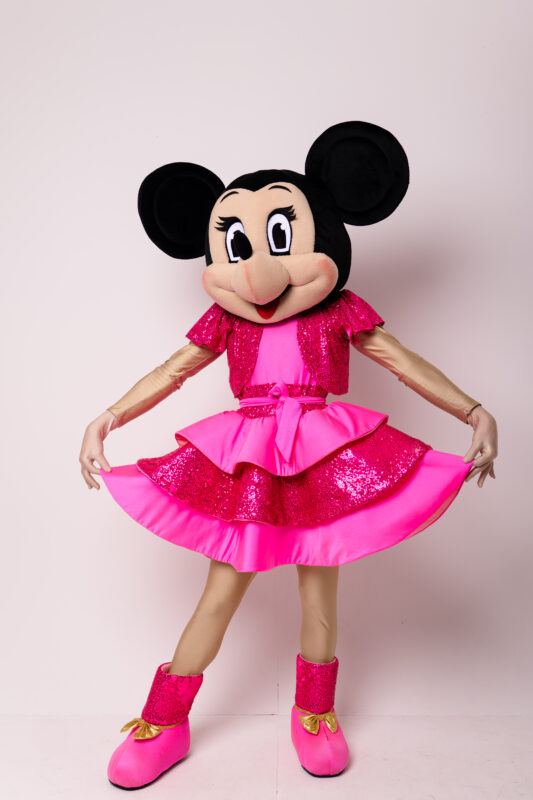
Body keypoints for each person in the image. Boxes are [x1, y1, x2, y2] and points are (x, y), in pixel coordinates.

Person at [79, 121, 498, 789]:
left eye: (278, 238)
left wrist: (471, 409)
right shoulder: (227, 320)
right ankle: (164, 720)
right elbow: (172, 370)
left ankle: (314, 713)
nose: (255, 270)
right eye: (236, 246)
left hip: (322, 455)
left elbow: (401, 360)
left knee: (319, 593)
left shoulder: (338, 311)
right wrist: (109, 416)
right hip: (249, 459)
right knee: (219, 595)